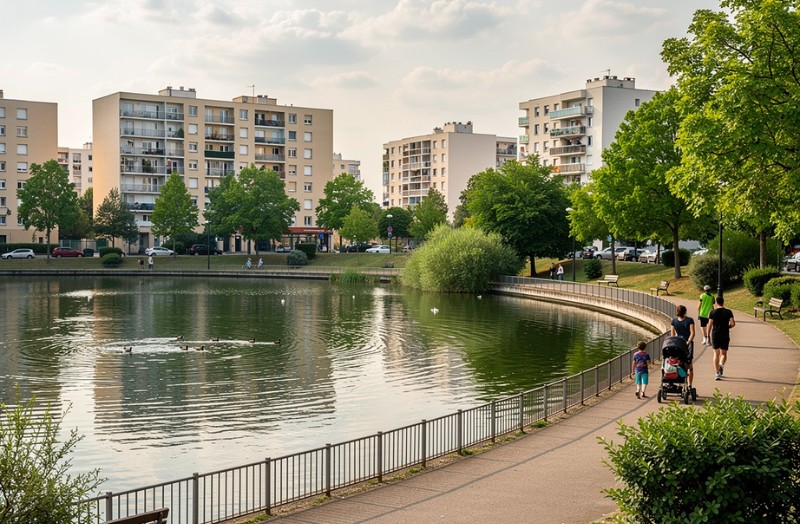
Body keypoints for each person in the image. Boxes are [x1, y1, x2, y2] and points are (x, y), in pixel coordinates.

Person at [708, 295, 735, 380]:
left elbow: (710, 324)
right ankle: (721, 365)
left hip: (715, 333)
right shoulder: (728, 312)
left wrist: (707, 334)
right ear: (723, 302)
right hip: (725, 333)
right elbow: (733, 324)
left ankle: (717, 373)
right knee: (724, 354)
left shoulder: (712, 312)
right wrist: (728, 327)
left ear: (716, 302)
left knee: (716, 354)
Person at [670, 304, 696, 387]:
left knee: (677, 361)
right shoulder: (689, 320)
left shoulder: (674, 321)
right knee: (689, 364)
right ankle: (689, 384)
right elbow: (692, 333)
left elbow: (672, 334)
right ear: (685, 312)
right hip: (687, 344)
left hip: (678, 343)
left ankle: (676, 379)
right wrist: (688, 341)